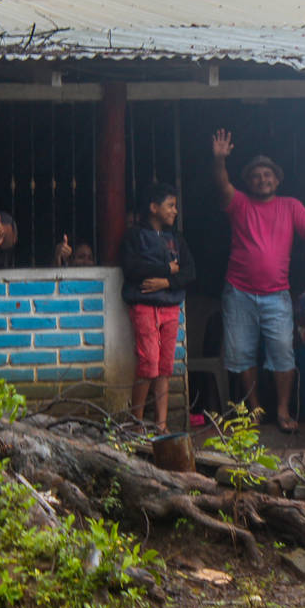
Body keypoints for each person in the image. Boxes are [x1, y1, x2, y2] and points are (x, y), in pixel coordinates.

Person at [212, 129, 305, 433]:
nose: (262, 179)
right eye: (256, 176)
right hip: (239, 292)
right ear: (248, 182)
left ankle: (283, 410)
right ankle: (255, 410)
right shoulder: (240, 203)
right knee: (243, 352)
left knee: (283, 352)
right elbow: (222, 186)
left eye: (268, 174)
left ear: (277, 179)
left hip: (276, 295)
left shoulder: (291, 206)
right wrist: (219, 160)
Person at [120, 182, 196, 433]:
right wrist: (166, 269)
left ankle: (161, 425)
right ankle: (136, 422)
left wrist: (167, 281)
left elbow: (189, 272)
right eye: (170, 206)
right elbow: (132, 268)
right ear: (153, 208)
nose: (175, 211)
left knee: (165, 367)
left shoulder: (177, 239)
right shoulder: (133, 236)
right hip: (143, 306)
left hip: (170, 307)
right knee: (148, 363)